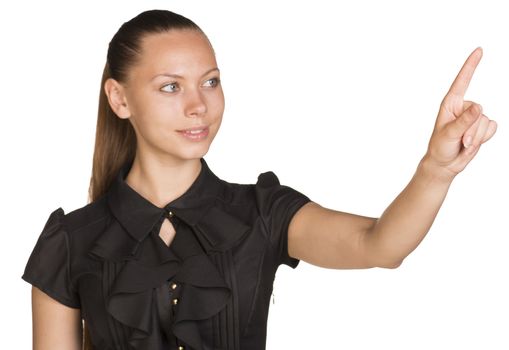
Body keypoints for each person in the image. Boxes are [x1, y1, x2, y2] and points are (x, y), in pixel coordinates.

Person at [21, 8, 497, 350]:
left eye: (210, 81)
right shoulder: (69, 242)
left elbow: (380, 245)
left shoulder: (262, 214)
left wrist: (436, 168)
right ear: (119, 99)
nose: (198, 106)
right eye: (171, 86)